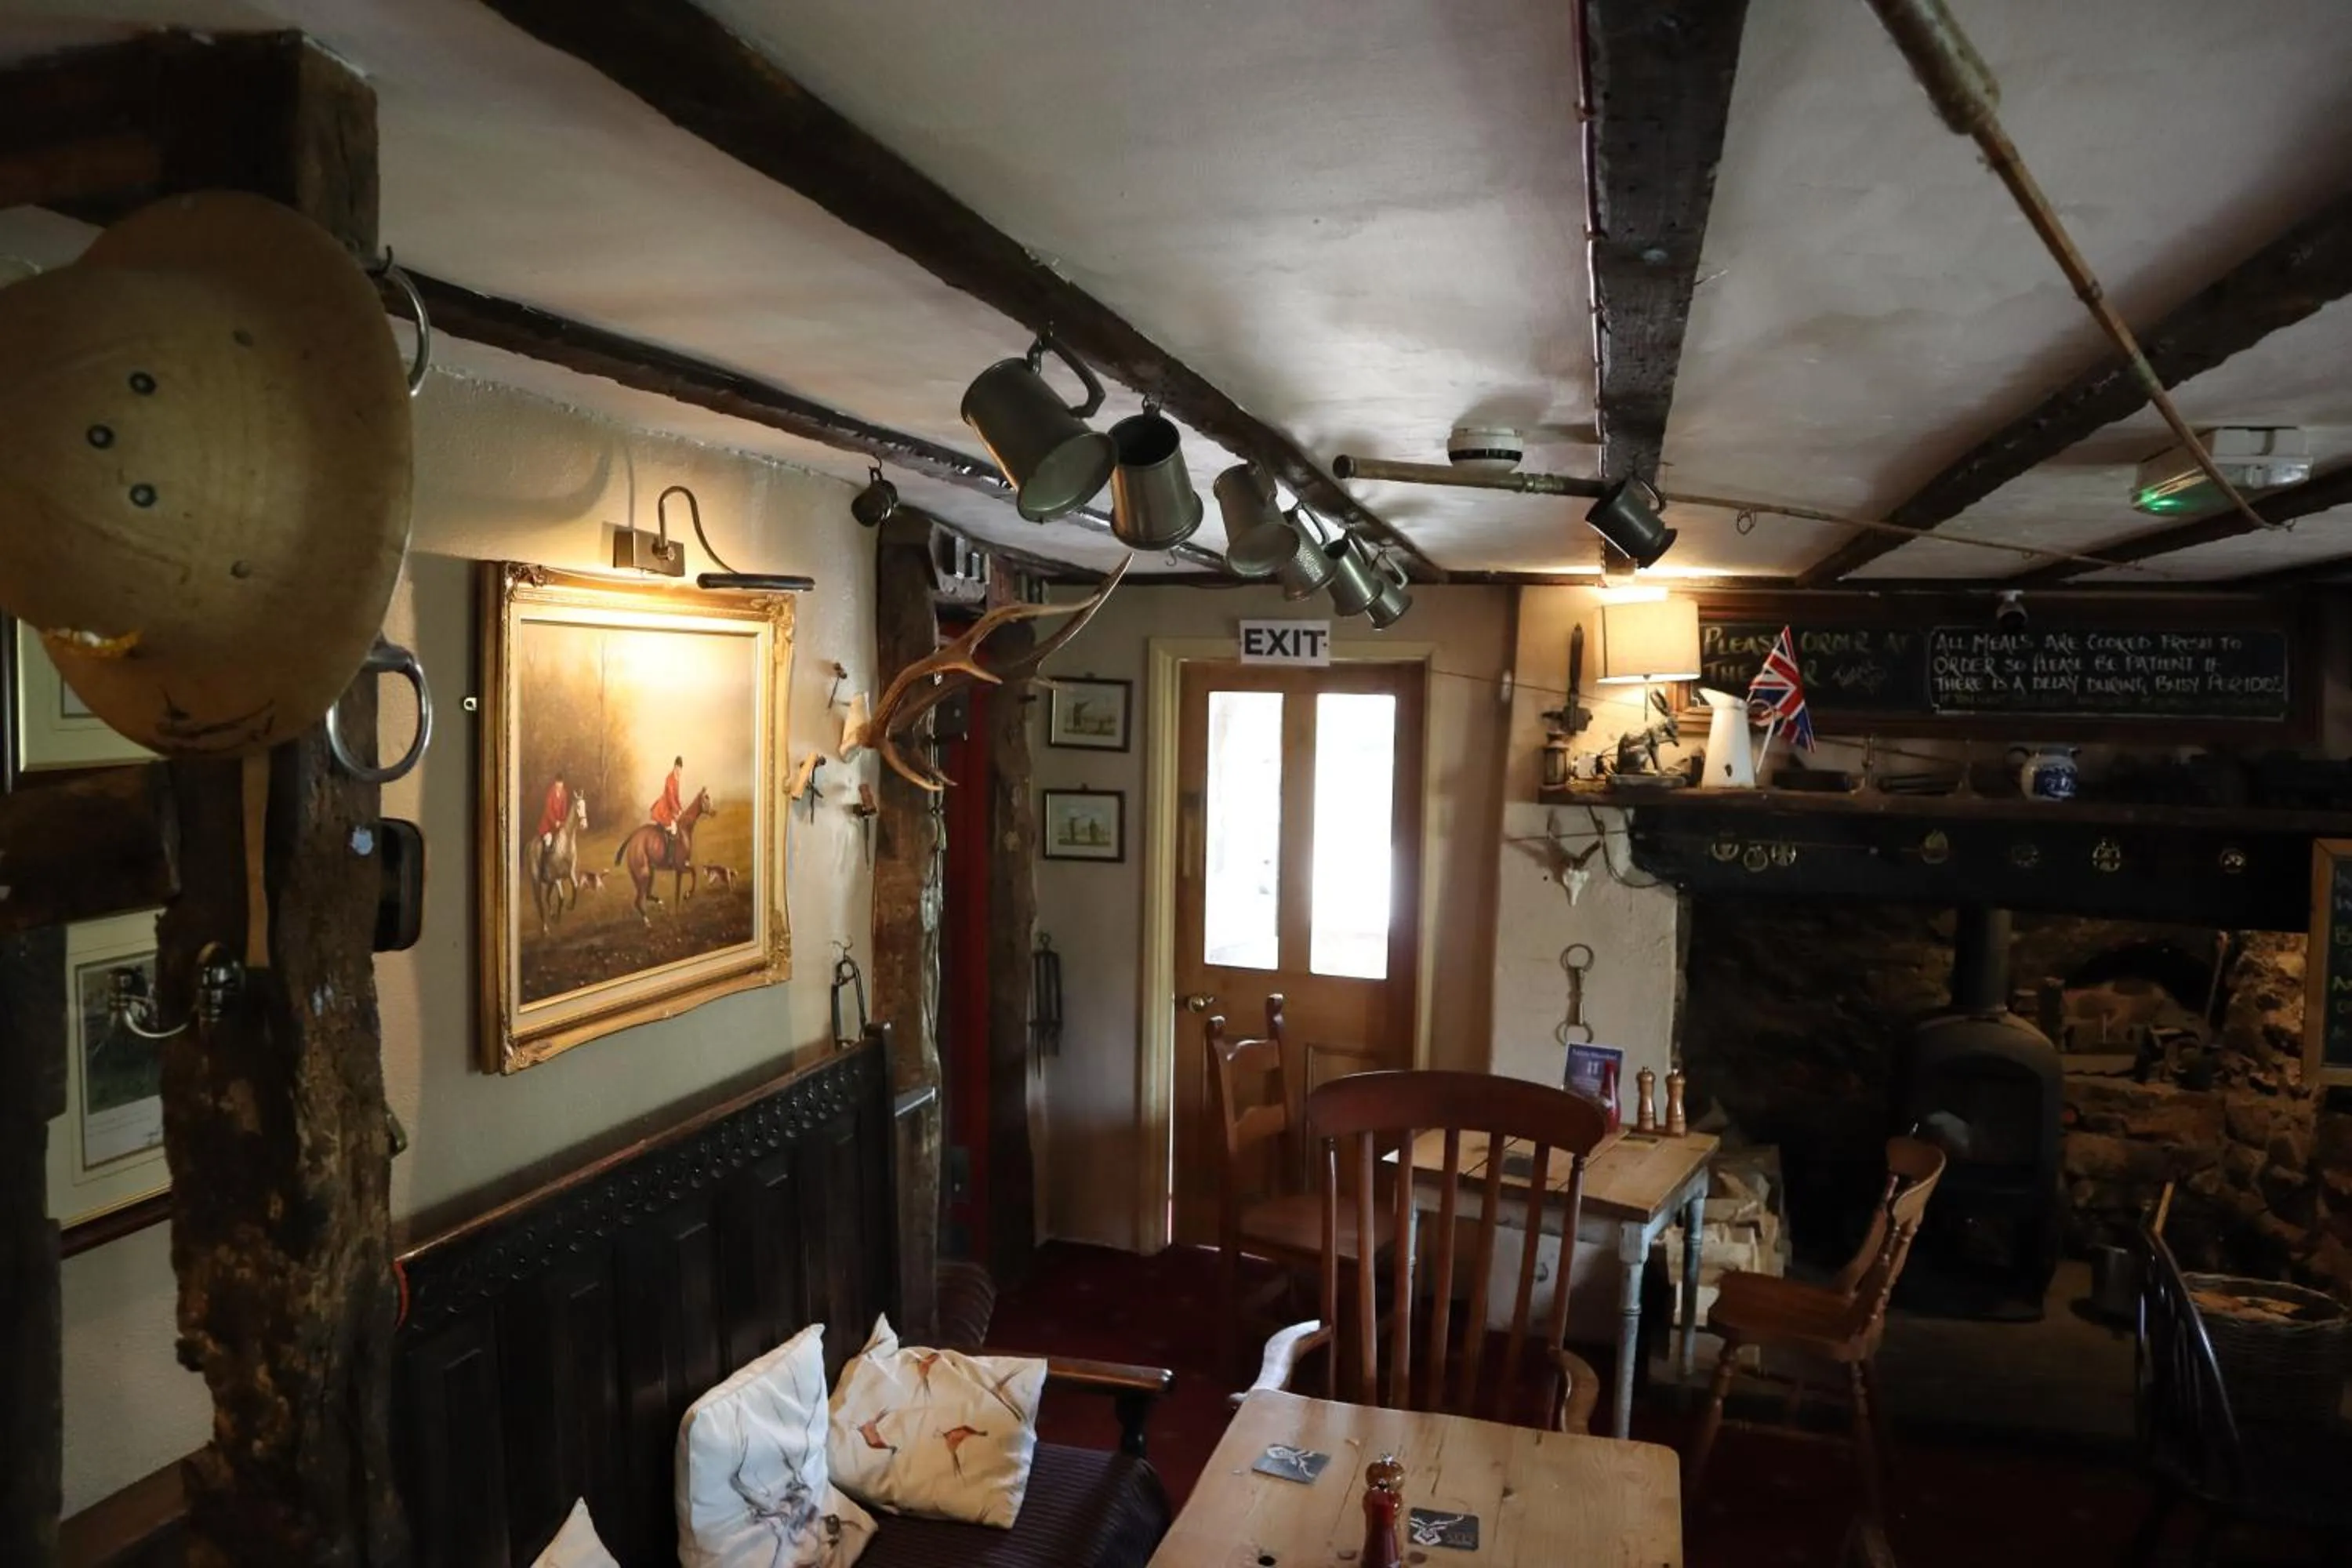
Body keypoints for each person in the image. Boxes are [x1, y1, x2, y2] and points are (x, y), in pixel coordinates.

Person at [651, 756, 685, 844]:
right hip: (665, 807)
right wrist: (677, 810)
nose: (679, 771)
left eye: (680, 769)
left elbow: (676, 797)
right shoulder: (669, 778)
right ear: (675, 767)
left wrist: (681, 809)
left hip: (672, 807)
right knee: (673, 829)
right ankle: (669, 851)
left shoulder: (677, 779)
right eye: (678, 769)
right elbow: (670, 798)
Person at [536, 771, 570, 851]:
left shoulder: (564, 794)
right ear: (555, 783)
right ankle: (545, 856)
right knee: (549, 839)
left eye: (561, 783)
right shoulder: (550, 793)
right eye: (558, 783)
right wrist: (555, 822)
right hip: (548, 823)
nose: (560, 785)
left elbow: (564, 810)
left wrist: (562, 821)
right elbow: (548, 810)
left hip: (559, 823)